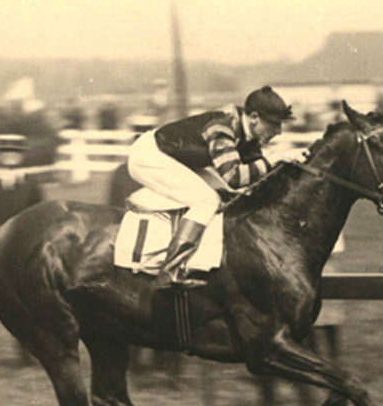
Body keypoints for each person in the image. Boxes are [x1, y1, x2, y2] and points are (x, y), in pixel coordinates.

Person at [125, 85, 295, 290]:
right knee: (207, 200)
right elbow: (234, 177)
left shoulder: (249, 137)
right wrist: (273, 159)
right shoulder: (221, 127)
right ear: (254, 117)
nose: (278, 132)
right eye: (274, 124)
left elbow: (257, 181)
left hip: (174, 157)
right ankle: (168, 272)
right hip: (149, 156)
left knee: (226, 196)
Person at [0, 133, 43, 234]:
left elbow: (40, 217)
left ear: (22, 155)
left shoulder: (31, 184)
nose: (10, 156)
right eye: (4, 153)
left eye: (15, 153)